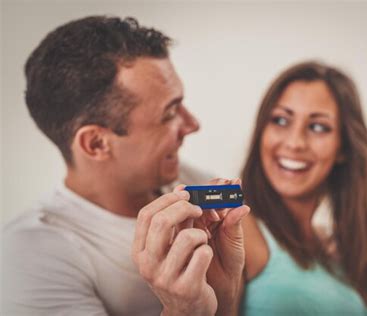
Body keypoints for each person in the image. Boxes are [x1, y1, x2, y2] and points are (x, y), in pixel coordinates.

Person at [2, 15, 249, 316]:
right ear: (96, 144)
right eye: (169, 114)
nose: (193, 124)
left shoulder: (190, 181)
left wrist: (224, 295)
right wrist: (183, 310)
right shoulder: (29, 260)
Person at [239, 61, 367, 315]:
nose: (295, 143)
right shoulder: (239, 227)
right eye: (280, 120)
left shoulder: (345, 247)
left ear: (343, 148)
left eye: (318, 127)